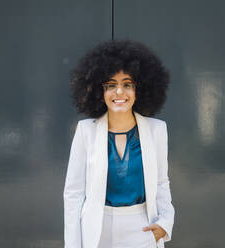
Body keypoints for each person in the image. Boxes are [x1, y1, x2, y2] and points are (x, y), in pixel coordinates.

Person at [63, 39, 175, 248]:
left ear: (139, 89)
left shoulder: (156, 130)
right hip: (97, 230)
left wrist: (165, 223)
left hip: (142, 228)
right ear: (98, 91)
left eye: (127, 84)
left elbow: (161, 183)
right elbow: (73, 194)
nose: (119, 92)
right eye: (111, 85)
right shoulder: (86, 132)